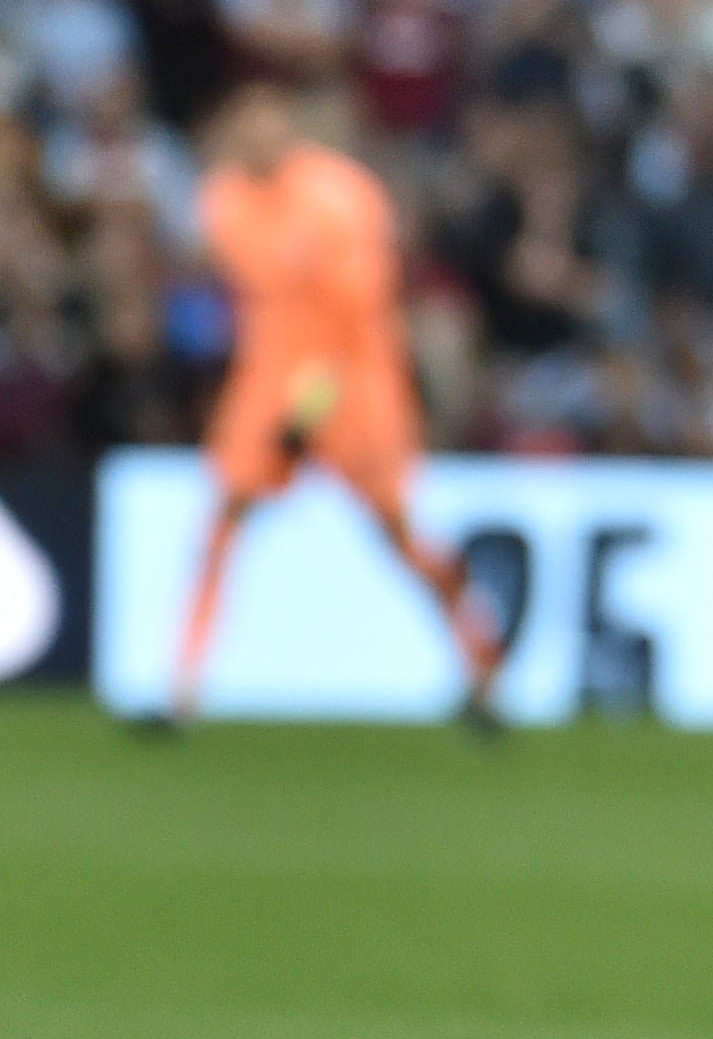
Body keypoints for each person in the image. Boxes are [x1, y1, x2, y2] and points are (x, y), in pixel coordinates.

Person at [170, 87, 500, 729]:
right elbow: (235, 292)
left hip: (356, 385)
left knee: (400, 535)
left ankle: (481, 662)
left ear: (289, 131)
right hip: (266, 383)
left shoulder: (341, 197)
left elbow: (354, 320)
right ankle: (182, 688)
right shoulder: (223, 201)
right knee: (221, 521)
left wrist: (309, 409)